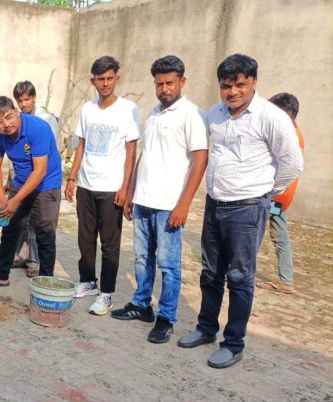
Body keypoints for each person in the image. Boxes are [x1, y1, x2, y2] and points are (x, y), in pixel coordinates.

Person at [178, 54, 303, 368]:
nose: (232, 91)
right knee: (210, 272)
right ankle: (206, 329)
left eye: (240, 85)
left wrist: (262, 193)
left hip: (247, 209)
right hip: (214, 205)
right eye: (226, 86)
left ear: (253, 83)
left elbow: (292, 164)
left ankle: (233, 343)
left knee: (240, 277)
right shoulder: (215, 114)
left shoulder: (272, 117)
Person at [111, 56, 208, 343]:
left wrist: (184, 204)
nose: (164, 88)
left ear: (182, 82)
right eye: (159, 83)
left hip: (169, 205)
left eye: (169, 83)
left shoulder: (192, 114)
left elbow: (200, 159)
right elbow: (146, 155)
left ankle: (166, 317)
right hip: (143, 200)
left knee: (168, 264)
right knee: (142, 258)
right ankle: (142, 304)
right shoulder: (153, 113)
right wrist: (130, 192)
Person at [65, 56, 140, 315]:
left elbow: (131, 151)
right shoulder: (87, 109)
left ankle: (106, 293)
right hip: (87, 184)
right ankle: (88, 283)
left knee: (109, 244)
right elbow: (81, 144)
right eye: (100, 79)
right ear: (93, 81)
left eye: (110, 78)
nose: (105, 83)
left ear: (116, 78)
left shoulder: (128, 109)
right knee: (85, 239)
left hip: (111, 188)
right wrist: (73, 177)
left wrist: (125, 188)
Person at [0, 96, 62, 287]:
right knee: (10, 228)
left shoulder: (38, 128)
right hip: (21, 181)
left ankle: (46, 283)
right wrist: (0, 196)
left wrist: (16, 201)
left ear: (16, 111)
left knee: (45, 233)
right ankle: (1, 274)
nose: (6, 125)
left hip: (46, 183)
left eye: (9, 117)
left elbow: (40, 171)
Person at [256, 93, 305, 294]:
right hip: (280, 196)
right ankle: (285, 279)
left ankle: (239, 271)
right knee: (274, 232)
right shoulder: (295, 131)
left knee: (254, 231)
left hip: (275, 196)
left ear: (289, 113)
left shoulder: (290, 134)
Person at [10, 80, 60, 278]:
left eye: (27, 99)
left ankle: (36, 263)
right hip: (21, 178)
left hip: (43, 179)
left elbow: (47, 153)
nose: (23, 104)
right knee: (22, 221)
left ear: (34, 98)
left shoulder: (46, 120)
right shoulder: (15, 119)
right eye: (20, 100)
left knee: (41, 224)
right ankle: (22, 257)